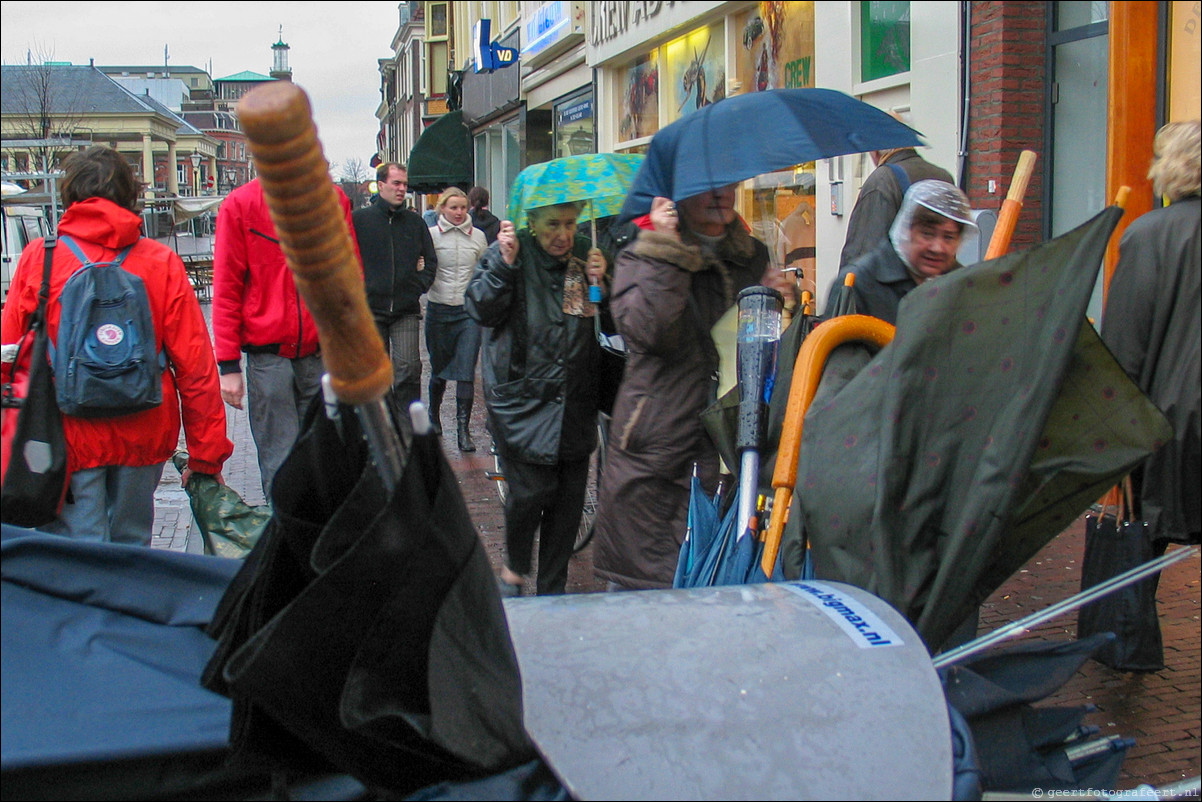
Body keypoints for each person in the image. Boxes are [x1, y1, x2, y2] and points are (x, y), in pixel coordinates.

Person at [1, 145, 232, 545]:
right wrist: (206, 455)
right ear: (131, 194)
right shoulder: (160, 262)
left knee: (75, 555)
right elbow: (195, 368)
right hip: (143, 429)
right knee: (132, 549)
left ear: (70, 193)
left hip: (65, 431)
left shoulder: (41, 258)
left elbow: (9, 354)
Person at [592, 187, 780, 591]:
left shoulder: (751, 259)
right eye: (706, 187)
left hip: (732, 443)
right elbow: (648, 331)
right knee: (643, 590)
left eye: (728, 184)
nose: (721, 194)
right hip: (659, 444)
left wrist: (782, 303)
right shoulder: (641, 255)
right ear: (676, 197)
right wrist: (666, 251)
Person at [465, 203, 609, 596]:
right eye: (552, 225)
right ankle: (513, 569)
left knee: (567, 504)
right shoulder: (508, 251)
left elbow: (599, 323)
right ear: (531, 222)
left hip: (575, 400)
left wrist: (601, 284)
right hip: (523, 401)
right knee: (530, 494)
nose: (562, 235)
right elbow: (480, 307)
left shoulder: (584, 254)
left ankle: (552, 587)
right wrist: (504, 266)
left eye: (569, 224)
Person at [213, 176, 359, 501]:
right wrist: (228, 365)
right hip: (268, 354)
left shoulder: (332, 201)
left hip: (320, 350)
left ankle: (315, 536)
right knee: (280, 458)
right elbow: (227, 287)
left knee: (325, 453)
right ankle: (285, 534)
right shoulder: (240, 204)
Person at [1101, 119, 1200, 549]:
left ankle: (1128, 619)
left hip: (1168, 425)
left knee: (1139, 555)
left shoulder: (1148, 234)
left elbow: (1125, 346)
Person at [827, 179, 976, 325]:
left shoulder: (963, 286)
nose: (937, 248)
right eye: (927, 234)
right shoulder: (857, 284)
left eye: (948, 237)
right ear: (905, 230)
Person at [352, 162, 439, 408]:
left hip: (405, 308)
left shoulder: (415, 223)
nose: (402, 189)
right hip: (370, 309)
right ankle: (380, 428)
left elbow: (431, 260)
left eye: (404, 184)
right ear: (381, 185)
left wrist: (417, 286)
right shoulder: (360, 221)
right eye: (396, 184)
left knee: (409, 368)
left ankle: (408, 427)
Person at [425, 186, 488, 449]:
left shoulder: (479, 237)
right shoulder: (429, 236)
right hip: (439, 309)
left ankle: (463, 430)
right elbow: (423, 267)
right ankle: (433, 414)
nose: (459, 212)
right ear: (442, 208)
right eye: (453, 207)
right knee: (438, 370)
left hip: (467, 313)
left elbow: (486, 269)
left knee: (465, 371)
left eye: (463, 207)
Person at [839, 128, 955, 268]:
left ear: (875, 151)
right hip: (938, 284)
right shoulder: (944, 178)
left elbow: (862, 252)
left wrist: (844, 286)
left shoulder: (883, 180)